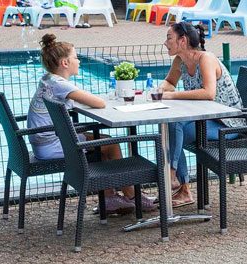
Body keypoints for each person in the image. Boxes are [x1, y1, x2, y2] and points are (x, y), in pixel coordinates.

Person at [27, 34, 154, 214]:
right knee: (110, 145)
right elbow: (99, 103)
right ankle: (131, 194)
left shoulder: (48, 79)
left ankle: (111, 198)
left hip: (47, 141)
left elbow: (78, 99)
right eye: (75, 58)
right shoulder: (60, 85)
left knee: (104, 141)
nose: (78, 61)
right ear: (65, 63)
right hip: (53, 146)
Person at [160, 22, 244, 208]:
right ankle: (181, 187)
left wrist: (170, 95)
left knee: (174, 128)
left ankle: (173, 177)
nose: (165, 43)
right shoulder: (180, 61)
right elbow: (169, 82)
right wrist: (158, 89)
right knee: (169, 126)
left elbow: (208, 93)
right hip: (205, 119)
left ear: (183, 40)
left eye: (169, 38)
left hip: (227, 124)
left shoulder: (206, 59)